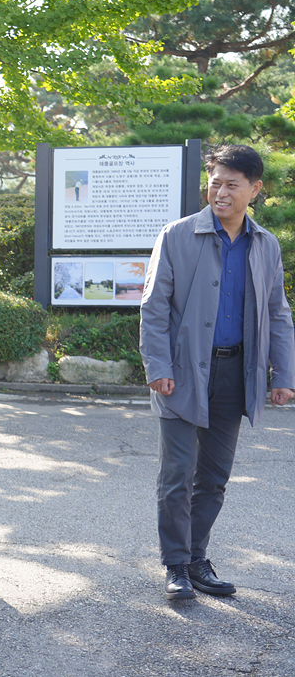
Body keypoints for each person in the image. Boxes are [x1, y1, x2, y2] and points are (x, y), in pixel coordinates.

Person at [140, 144, 294, 601]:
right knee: (177, 474)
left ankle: (195, 557)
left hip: (235, 372)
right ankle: (175, 565)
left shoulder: (264, 244)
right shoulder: (177, 235)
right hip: (182, 374)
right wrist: (159, 366)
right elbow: (153, 309)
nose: (220, 192)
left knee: (213, 477)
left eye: (232, 184)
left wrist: (283, 373)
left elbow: (278, 313)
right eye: (215, 182)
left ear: (255, 189)